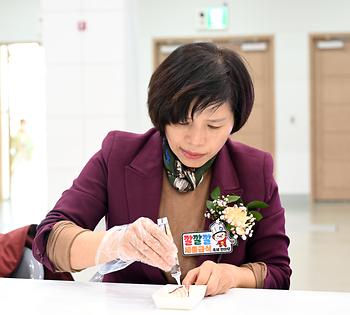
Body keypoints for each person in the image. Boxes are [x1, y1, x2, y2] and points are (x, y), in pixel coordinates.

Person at [33, 42, 291, 296]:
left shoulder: (253, 170)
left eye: (213, 126)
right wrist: (116, 243)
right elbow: (49, 240)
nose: (196, 140)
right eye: (182, 122)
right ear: (163, 115)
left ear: (235, 120)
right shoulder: (119, 156)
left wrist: (233, 276)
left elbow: (278, 271)